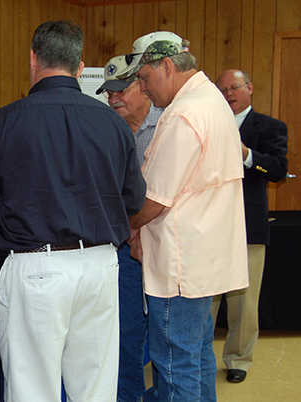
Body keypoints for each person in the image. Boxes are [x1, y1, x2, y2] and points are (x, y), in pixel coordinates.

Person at [0, 20, 146, 402]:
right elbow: (134, 201)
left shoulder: (4, 123)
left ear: (32, 60)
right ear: (79, 67)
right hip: (100, 267)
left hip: (37, 269)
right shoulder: (115, 125)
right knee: (95, 391)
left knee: (32, 392)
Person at [126, 31, 249, 402]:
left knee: (175, 364)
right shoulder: (210, 100)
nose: (143, 90)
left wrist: (119, 227)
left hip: (179, 267)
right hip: (202, 261)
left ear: (167, 66)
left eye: (145, 78)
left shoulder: (184, 113)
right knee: (196, 357)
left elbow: (154, 201)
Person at [210, 69, 288, 383]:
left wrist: (246, 155)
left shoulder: (270, 127)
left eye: (235, 87)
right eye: (223, 89)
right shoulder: (208, 125)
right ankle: (200, 355)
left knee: (244, 300)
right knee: (208, 298)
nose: (229, 93)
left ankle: (238, 359)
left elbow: (278, 170)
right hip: (210, 226)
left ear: (250, 88)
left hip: (248, 227)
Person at [96, 54, 163, 402]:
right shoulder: (104, 128)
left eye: (121, 88)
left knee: (169, 338)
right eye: (108, 91)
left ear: (145, 86)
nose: (113, 98)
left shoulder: (171, 123)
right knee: (125, 333)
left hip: (165, 246)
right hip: (123, 247)